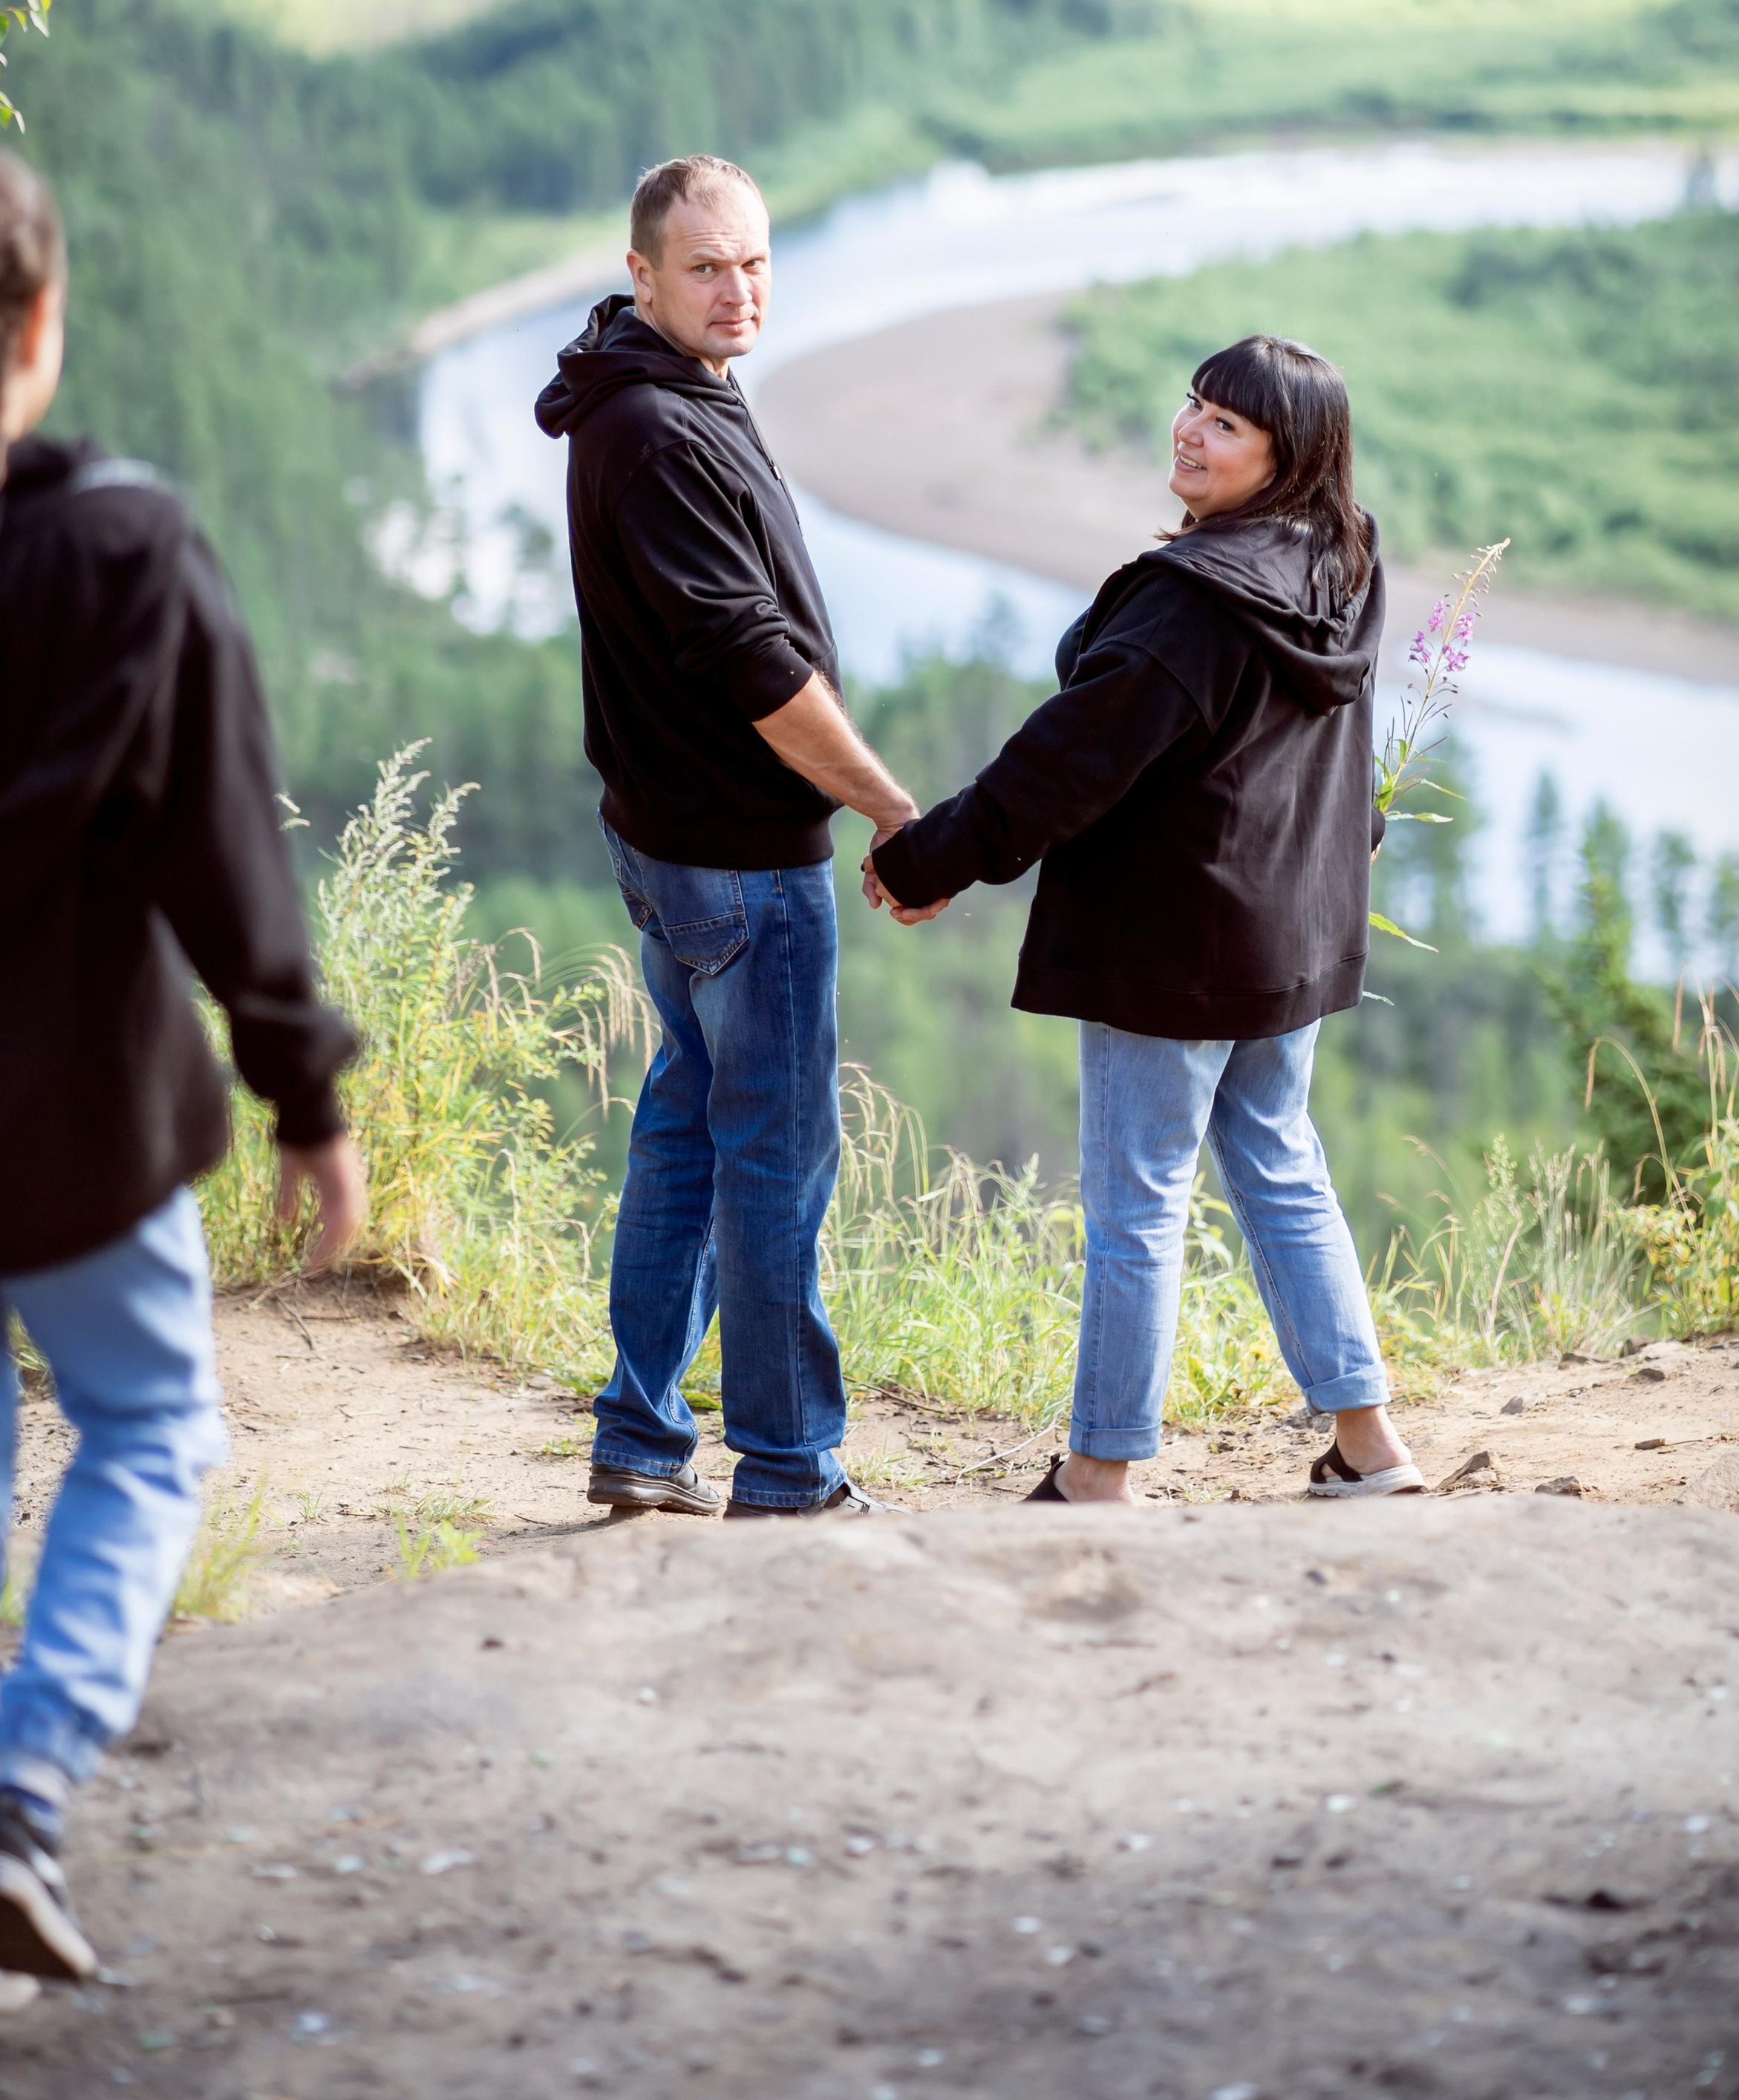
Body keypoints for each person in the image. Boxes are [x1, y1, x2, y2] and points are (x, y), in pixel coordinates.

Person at [0, 143, 366, 2050]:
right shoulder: (127, 548)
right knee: (152, 1426)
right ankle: (27, 1796)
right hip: (85, 1128)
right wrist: (305, 1096)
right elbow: (224, 857)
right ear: (35, 325)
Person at [866, 333, 1424, 1506]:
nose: (1190, 431)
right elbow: (1330, 737)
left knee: (1138, 1204)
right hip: (1287, 931)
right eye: (1194, 404)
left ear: (1288, 455)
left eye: (1227, 424)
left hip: (1173, 944)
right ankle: (1370, 1447)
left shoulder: (1194, 603)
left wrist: (931, 857)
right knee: (1280, 1164)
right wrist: (1352, 844)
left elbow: (1065, 763)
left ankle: (1099, 1473)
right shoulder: (1341, 560)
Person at [536, 154, 917, 1520]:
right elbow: (752, 658)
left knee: (690, 1130)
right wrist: (890, 806)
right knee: (774, 1159)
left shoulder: (652, 383)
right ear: (642, 274)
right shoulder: (655, 428)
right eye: (706, 267)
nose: (739, 290)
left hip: (671, 842)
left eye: (755, 262)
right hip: (739, 861)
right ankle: (789, 1464)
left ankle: (642, 1441)